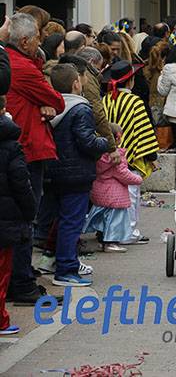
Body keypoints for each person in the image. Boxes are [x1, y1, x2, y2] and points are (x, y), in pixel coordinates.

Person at [4, 13, 65, 305]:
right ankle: (22, 283)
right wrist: (46, 102)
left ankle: (20, 278)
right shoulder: (23, 68)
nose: (42, 41)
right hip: (27, 148)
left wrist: (44, 102)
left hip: (22, 146)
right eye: (38, 37)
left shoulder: (16, 63)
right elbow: (57, 99)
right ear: (26, 41)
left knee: (21, 218)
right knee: (25, 217)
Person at [46, 64, 109, 287]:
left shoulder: (51, 107)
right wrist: (104, 142)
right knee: (72, 223)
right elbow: (87, 141)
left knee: (61, 220)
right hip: (76, 173)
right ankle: (66, 269)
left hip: (54, 170)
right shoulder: (81, 108)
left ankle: (56, 262)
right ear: (76, 83)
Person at [102, 61, 159, 244]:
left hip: (109, 154)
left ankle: (110, 230)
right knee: (131, 195)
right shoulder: (135, 102)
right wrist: (152, 157)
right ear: (130, 81)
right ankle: (130, 232)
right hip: (131, 156)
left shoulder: (106, 100)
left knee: (110, 196)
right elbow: (143, 131)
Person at [0, 95, 36, 335]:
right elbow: (21, 183)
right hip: (6, 219)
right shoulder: (11, 145)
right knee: (2, 271)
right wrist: (29, 211)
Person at [84, 123, 142, 253]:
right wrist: (138, 179)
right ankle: (111, 243)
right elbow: (122, 173)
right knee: (114, 221)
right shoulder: (116, 157)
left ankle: (101, 241)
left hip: (99, 193)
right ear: (117, 138)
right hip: (115, 196)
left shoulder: (98, 156)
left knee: (102, 220)